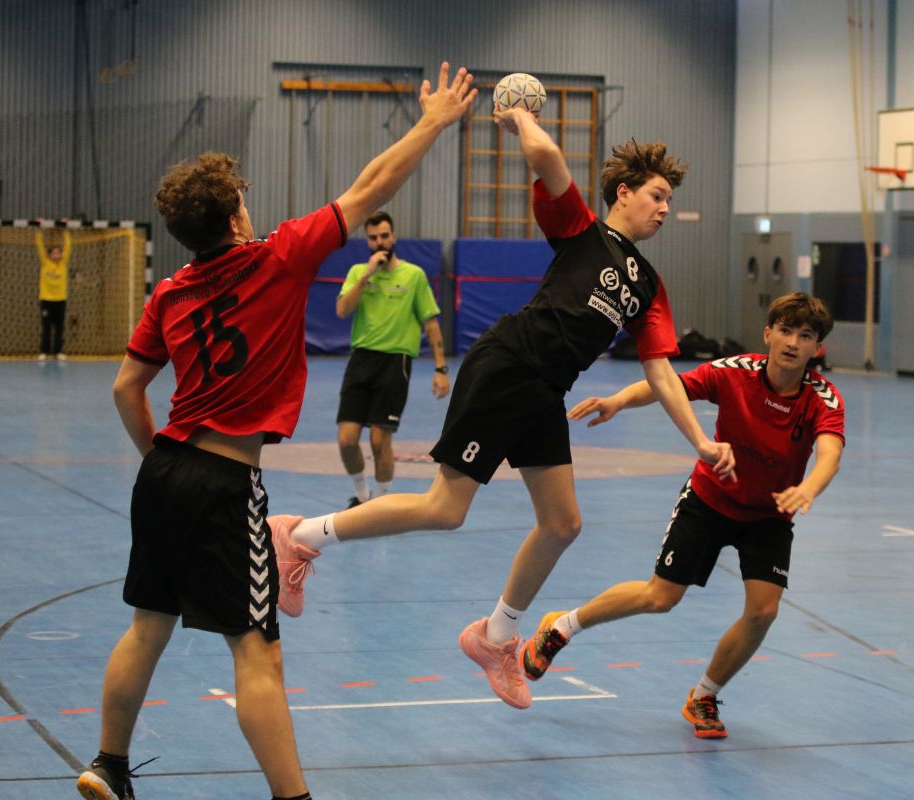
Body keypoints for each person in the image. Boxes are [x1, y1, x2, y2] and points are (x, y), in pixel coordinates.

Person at [75, 62, 477, 800]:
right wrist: (431, 122)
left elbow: (126, 386)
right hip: (227, 482)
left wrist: (159, 458)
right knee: (258, 655)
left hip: (164, 472)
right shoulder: (279, 257)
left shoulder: (169, 293)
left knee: (147, 626)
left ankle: (108, 764)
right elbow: (370, 188)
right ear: (235, 219)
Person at [268, 107, 735, 711]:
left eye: (670, 200)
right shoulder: (581, 231)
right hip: (509, 366)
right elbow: (547, 159)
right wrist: (520, 117)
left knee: (562, 524)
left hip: (546, 389)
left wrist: (699, 441)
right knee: (444, 509)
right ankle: (300, 535)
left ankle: (494, 638)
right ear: (624, 193)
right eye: (657, 195)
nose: (665, 208)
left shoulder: (649, 285)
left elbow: (662, 372)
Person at [519, 292, 844, 740]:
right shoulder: (734, 372)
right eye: (785, 331)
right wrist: (618, 400)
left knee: (763, 611)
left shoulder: (822, 398)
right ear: (768, 334)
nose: (792, 342)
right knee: (660, 597)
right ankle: (560, 627)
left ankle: (703, 696)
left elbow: (830, 453)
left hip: (770, 514)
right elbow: (667, 385)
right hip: (710, 500)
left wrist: (809, 487)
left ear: (816, 348)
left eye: (805, 336)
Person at [334, 211, 449, 509]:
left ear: (393, 236)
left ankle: (381, 503)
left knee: (378, 441)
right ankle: (362, 498)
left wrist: (440, 368)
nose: (380, 242)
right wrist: (367, 275)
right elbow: (342, 310)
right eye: (373, 238)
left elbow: (431, 324)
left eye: (384, 235)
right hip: (361, 360)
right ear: (368, 242)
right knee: (347, 440)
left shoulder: (414, 275)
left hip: (395, 364)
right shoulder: (358, 272)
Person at [35, 228, 72, 360]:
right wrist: (40, 230)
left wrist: (64, 230)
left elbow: (68, 246)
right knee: (46, 327)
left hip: (60, 300)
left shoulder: (63, 264)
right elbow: (40, 246)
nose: (56, 254)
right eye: (54, 252)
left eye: (58, 252)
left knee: (59, 327)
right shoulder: (45, 263)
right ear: (50, 255)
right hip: (46, 300)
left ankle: (58, 351)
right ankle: (44, 351)